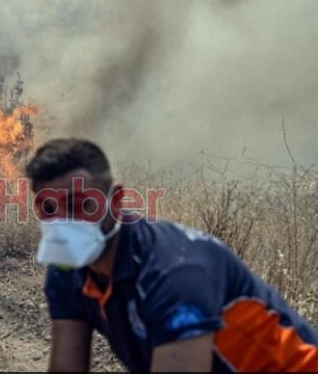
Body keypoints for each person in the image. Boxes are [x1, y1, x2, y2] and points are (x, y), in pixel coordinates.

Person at [25, 138, 318, 372]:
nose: (62, 222)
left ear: (115, 201)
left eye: (79, 205)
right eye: (48, 208)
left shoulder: (174, 270)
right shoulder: (67, 267)